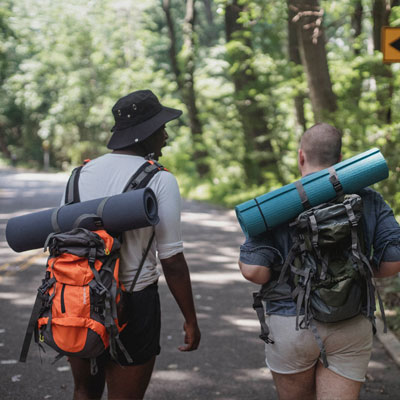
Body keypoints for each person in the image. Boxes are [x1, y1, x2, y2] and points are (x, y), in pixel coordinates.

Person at [238, 123, 400, 400]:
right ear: (340, 159)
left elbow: (255, 271)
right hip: (351, 320)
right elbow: (394, 260)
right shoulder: (369, 198)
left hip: (292, 322)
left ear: (301, 156)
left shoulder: (277, 206)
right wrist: (361, 268)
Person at [66, 90, 201, 399]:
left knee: (83, 392)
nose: (166, 136)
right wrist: (191, 319)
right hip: (134, 303)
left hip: (79, 297)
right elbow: (171, 260)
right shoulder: (159, 179)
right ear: (146, 133)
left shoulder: (78, 175)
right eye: (161, 128)